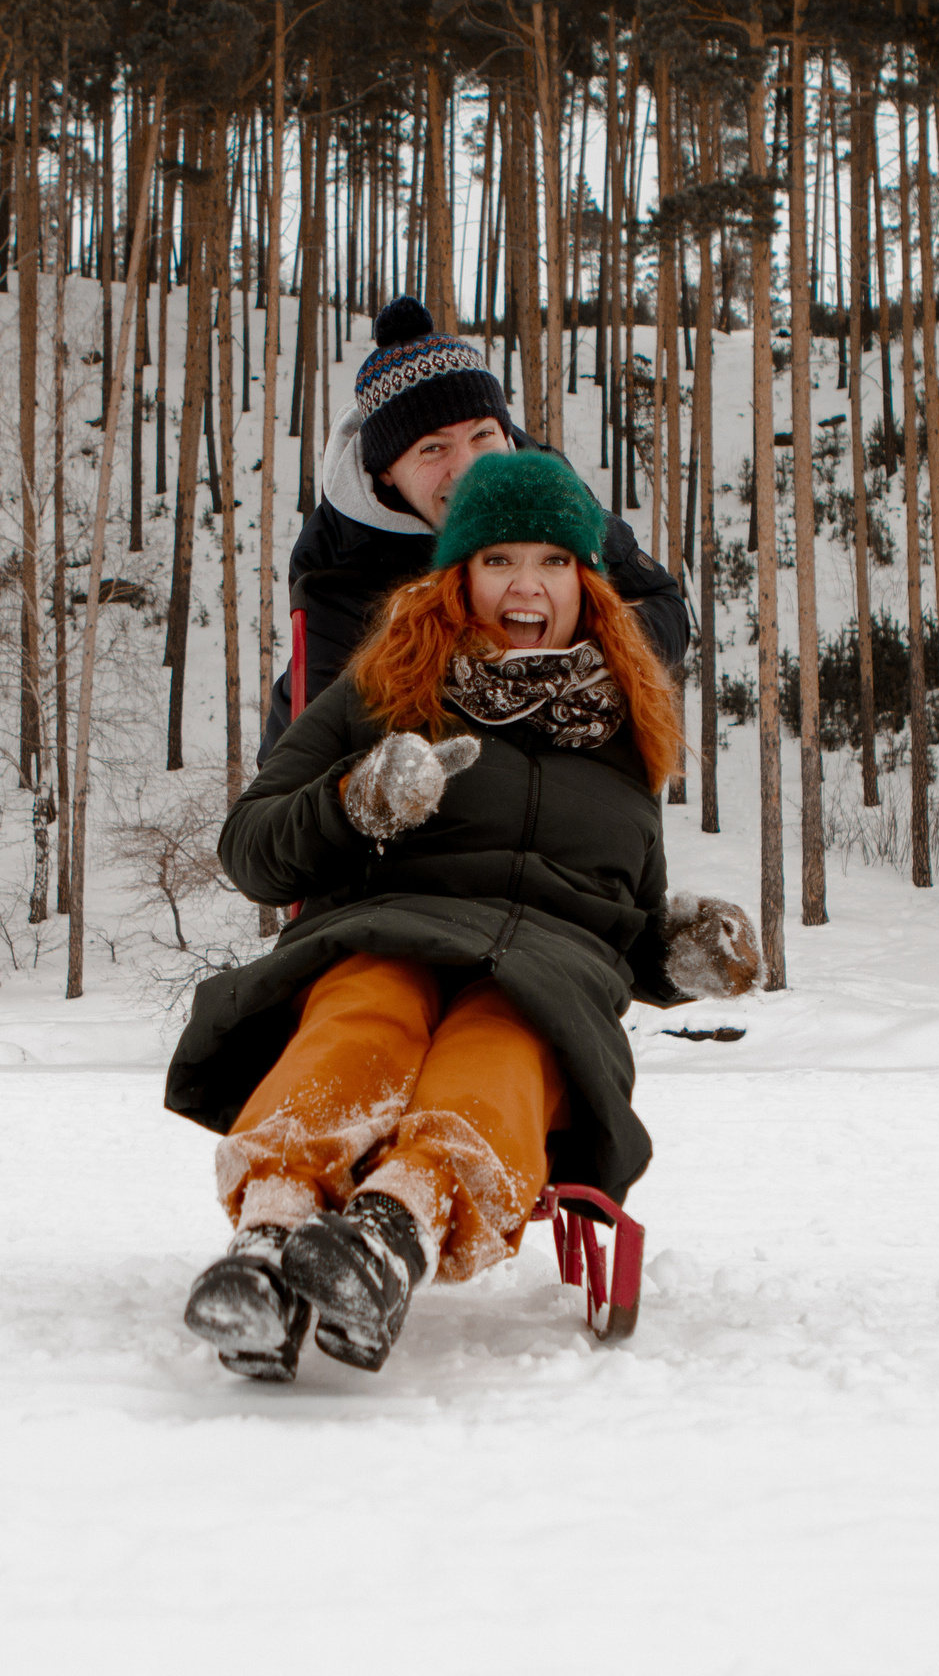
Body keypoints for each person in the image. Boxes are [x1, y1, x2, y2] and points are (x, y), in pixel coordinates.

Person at [167, 450, 759, 1382]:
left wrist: (677, 950)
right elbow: (251, 847)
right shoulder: (379, 690)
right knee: (368, 1005)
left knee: (510, 1034)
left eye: (555, 562)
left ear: (590, 585)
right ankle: (270, 1237)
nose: (527, 585)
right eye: (499, 561)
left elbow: (623, 921)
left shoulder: (628, 737)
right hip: (386, 926)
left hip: (549, 976)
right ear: (458, 578)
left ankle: (392, 1232)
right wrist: (354, 800)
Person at [258, 295, 690, 761]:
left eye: (482, 434)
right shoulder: (341, 568)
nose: (467, 468)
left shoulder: (549, 500)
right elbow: (298, 768)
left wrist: (579, 662)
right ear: (385, 470)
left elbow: (665, 604)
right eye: (432, 448)